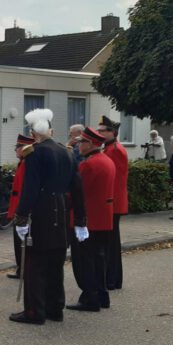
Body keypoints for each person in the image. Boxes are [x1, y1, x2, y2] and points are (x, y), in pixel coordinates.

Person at [11, 108, 85, 325]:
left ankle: (35, 311)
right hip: (61, 210)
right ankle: (55, 308)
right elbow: (77, 188)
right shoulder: (67, 152)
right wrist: (81, 220)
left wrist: (21, 217)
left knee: (35, 264)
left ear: (34, 133)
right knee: (55, 263)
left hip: (41, 211)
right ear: (50, 130)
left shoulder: (34, 153)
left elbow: (30, 188)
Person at [66, 127, 115, 312]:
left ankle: (90, 298)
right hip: (101, 219)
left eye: (82, 142)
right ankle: (102, 296)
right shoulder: (106, 160)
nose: (79, 145)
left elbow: (77, 193)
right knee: (98, 259)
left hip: (87, 220)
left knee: (83, 261)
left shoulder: (89, 164)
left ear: (92, 144)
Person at [98, 116, 128, 291]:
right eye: (99, 130)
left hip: (112, 203)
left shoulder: (114, 150)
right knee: (111, 242)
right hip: (113, 202)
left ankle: (112, 279)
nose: (100, 133)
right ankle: (113, 279)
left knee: (111, 243)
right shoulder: (109, 148)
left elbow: (114, 180)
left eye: (103, 131)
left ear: (113, 133)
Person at [6, 134, 35, 279]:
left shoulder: (27, 164)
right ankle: (21, 269)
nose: (15, 150)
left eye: (18, 147)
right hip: (18, 208)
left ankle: (23, 270)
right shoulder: (23, 163)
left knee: (21, 242)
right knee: (19, 242)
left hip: (21, 210)